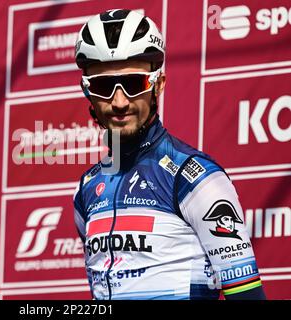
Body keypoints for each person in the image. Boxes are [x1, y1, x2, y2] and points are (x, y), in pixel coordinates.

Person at [72, 9, 266, 300]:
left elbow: (248, 296)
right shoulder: (86, 189)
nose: (119, 101)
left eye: (134, 83)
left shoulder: (198, 178)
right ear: (87, 92)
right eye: (104, 86)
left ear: (158, 85)